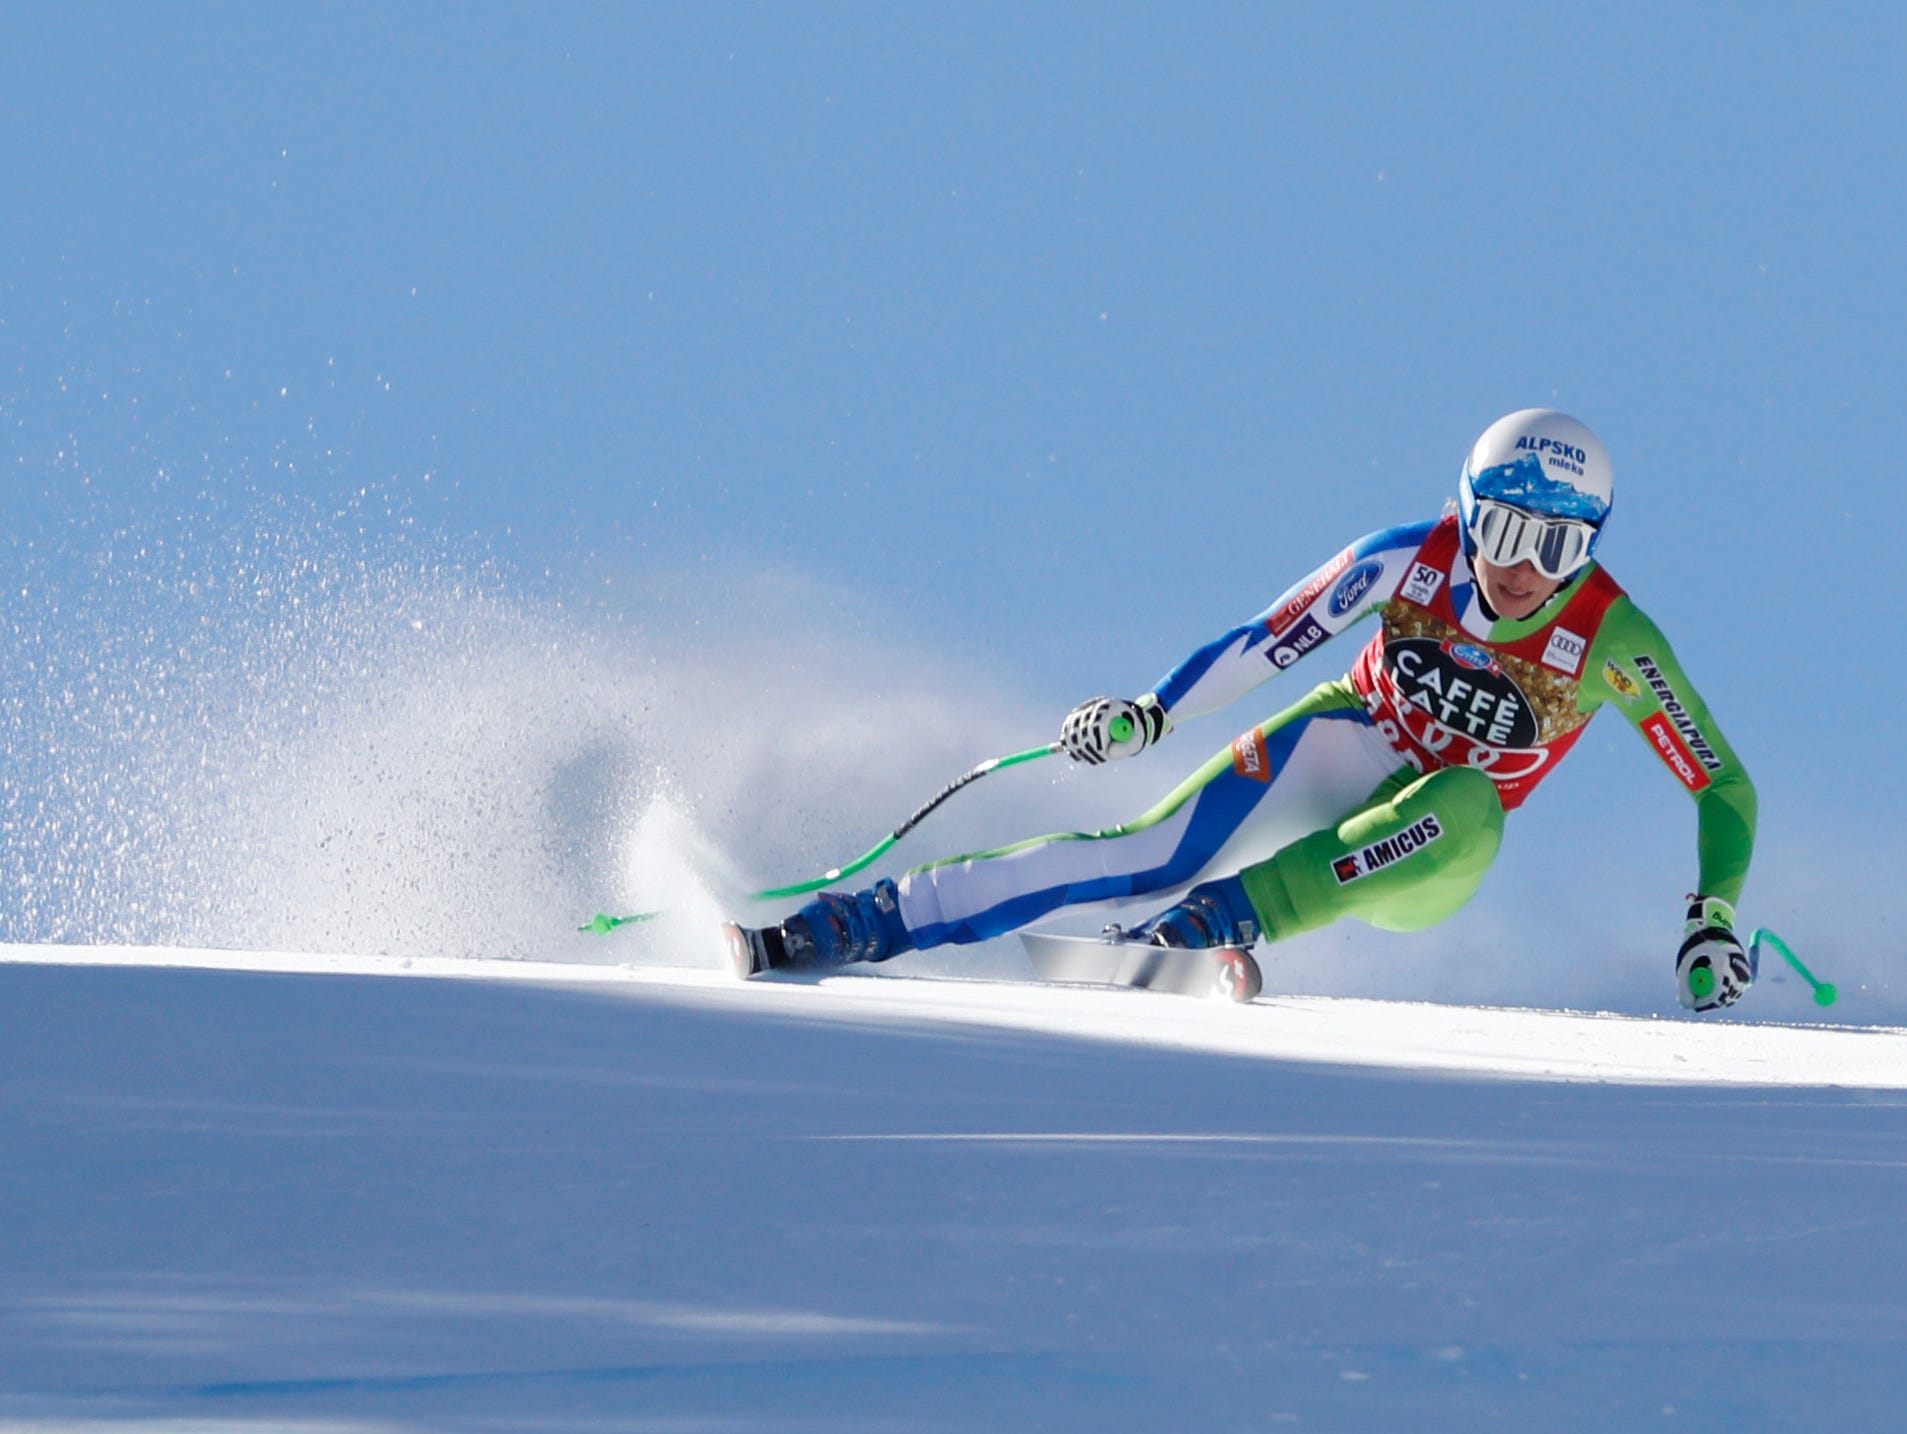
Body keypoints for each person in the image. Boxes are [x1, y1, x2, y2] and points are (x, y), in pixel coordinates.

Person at [728, 409, 1759, 1012]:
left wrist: (1707, 918)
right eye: (1499, 528)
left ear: (1589, 549)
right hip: (1345, 742)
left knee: (1466, 801)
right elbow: (1271, 637)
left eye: (1556, 547)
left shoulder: (1611, 640)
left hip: (1430, 846)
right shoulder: (1407, 557)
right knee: (1144, 845)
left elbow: (1718, 783)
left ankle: (1216, 923)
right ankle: (857, 923)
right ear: (1462, 508)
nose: (1519, 568)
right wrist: (1150, 713)